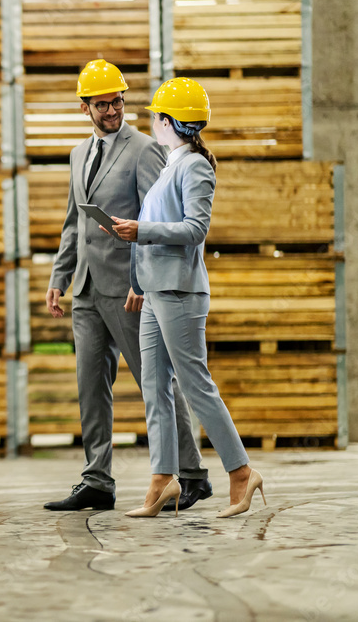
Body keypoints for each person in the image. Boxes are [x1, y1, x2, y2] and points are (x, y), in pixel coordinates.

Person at [44, 60, 211, 512]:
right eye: (103, 104)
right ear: (84, 108)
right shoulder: (78, 154)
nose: (113, 110)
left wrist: (142, 280)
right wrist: (60, 277)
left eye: (118, 101)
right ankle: (97, 479)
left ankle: (192, 473)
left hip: (129, 290)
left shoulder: (143, 150)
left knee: (155, 381)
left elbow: (158, 215)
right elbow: (73, 223)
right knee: (90, 387)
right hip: (86, 289)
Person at [106, 77, 265, 518]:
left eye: (156, 117)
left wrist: (142, 230)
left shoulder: (195, 166)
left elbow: (195, 230)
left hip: (180, 292)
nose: (152, 124)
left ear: (167, 121)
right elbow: (163, 228)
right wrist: (133, 246)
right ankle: (163, 479)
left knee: (196, 385)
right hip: (155, 290)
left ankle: (241, 472)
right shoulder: (170, 165)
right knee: (155, 388)